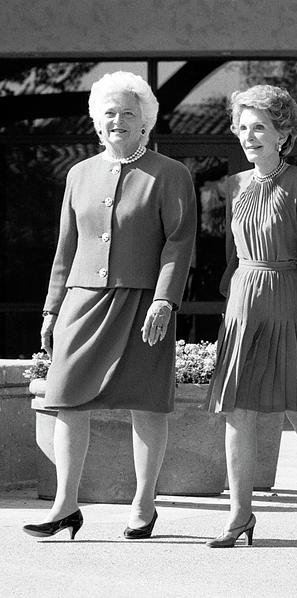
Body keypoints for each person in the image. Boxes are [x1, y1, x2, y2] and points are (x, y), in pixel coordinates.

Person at [23, 71, 196, 540]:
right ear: (97, 123)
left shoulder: (170, 174)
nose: (118, 120)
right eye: (109, 113)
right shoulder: (79, 174)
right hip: (82, 301)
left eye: (128, 113)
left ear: (146, 122)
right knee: (65, 399)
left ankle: (143, 505)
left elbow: (179, 243)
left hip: (144, 305)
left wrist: (165, 299)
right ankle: (65, 505)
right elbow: (66, 245)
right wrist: (52, 308)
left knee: (147, 404)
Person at [206, 85, 297, 548]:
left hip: (288, 297)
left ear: (282, 133)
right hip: (243, 304)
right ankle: (239, 515)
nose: (249, 135)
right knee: (237, 409)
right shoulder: (235, 184)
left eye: (259, 127)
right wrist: (233, 290)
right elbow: (232, 254)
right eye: (243, 126)